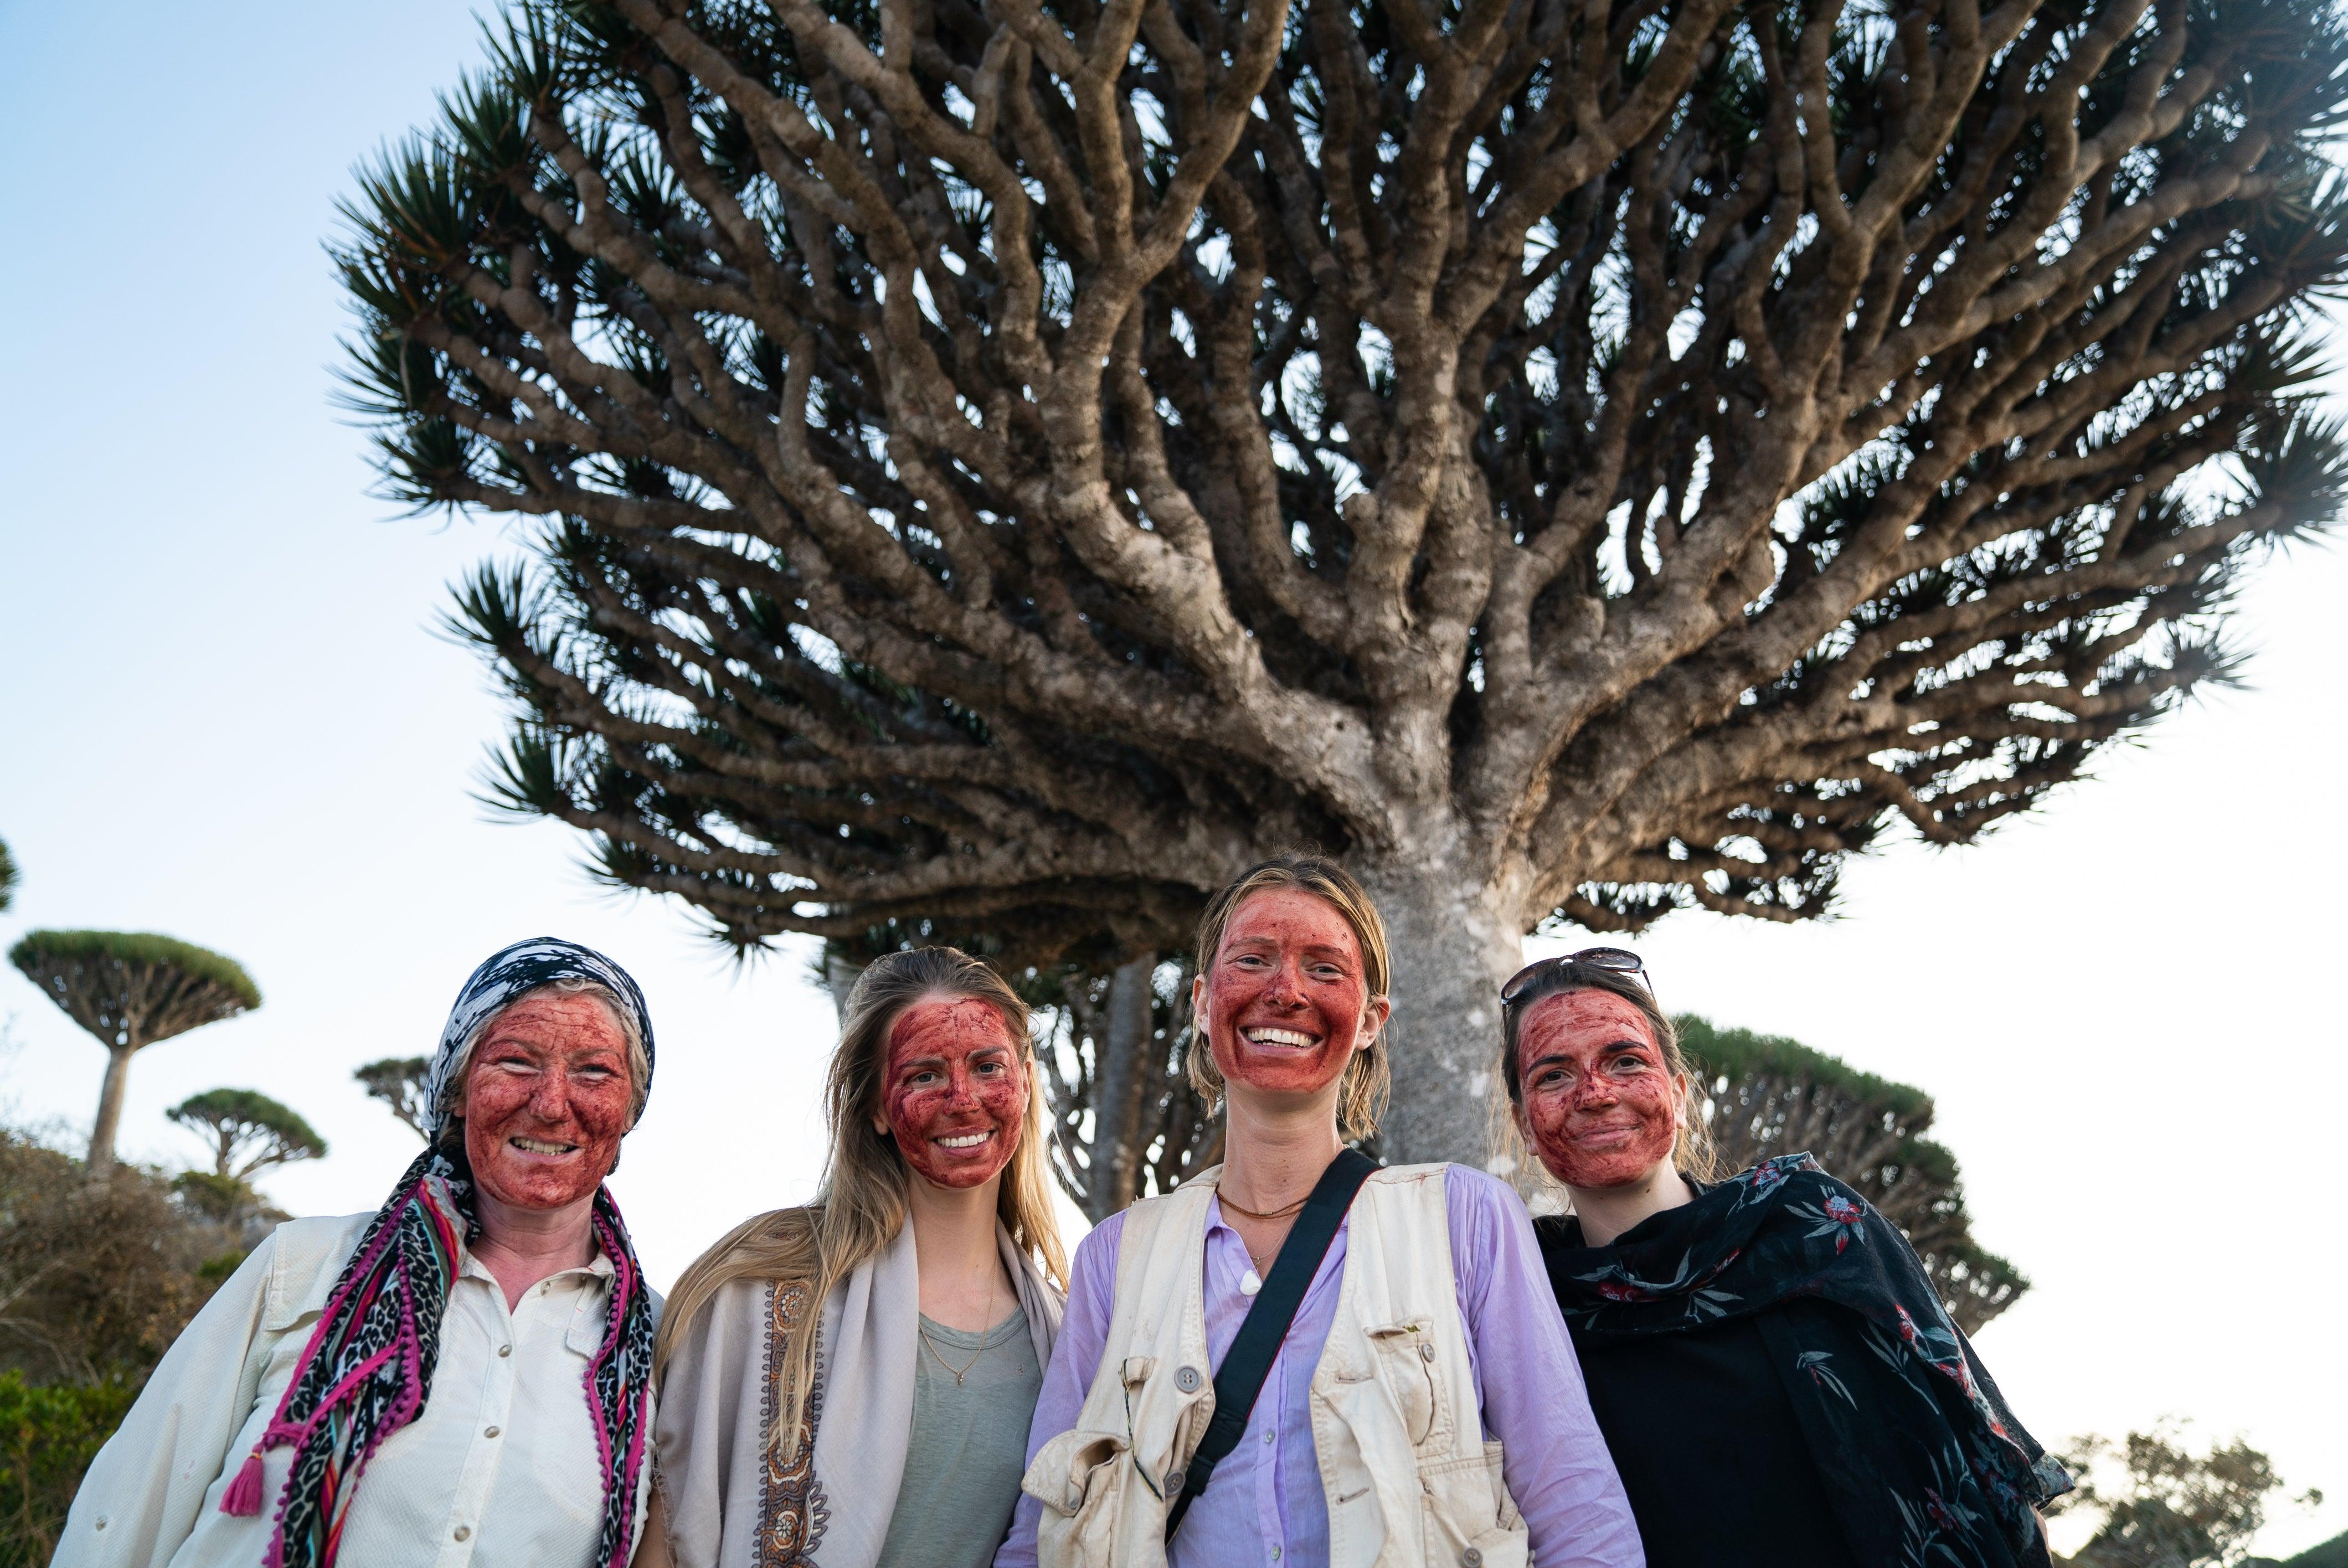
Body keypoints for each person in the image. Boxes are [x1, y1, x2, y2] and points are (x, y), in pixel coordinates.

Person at [1000, 855, 1642, 1568]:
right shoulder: (1115, 1257)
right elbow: (1042, 1527)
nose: (1285, 991)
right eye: (1252, 960)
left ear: (1370, 1020)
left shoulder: (1465, 1219)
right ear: (1202, 1003)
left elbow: (1574, 1505)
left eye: (1325, 969)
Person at [56, 937, 664, 1568]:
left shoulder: (662, 1344)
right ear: (457, 1091)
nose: (551, 1103)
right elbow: (123, 1517)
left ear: (629, 1110)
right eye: (515, 1062)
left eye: (595, 1072)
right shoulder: (303, 1267)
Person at [1496, 950, 2072, 1568]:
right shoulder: (1518, 1304)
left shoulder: (1815, 1226)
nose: (1595, 1093)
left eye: (1627, 1061)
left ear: (1680, 1094)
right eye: (1553, 1076)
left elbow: (1980, 1448)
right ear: (1524, 1125)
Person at [638, 947, 1066, 1568]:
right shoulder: (754, 1295)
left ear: (1024, 1080)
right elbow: (670, 1536)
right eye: (924, 1075)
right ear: (875, 1106)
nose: (963, 1099)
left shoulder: (1066, 1337)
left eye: (987, 1067)